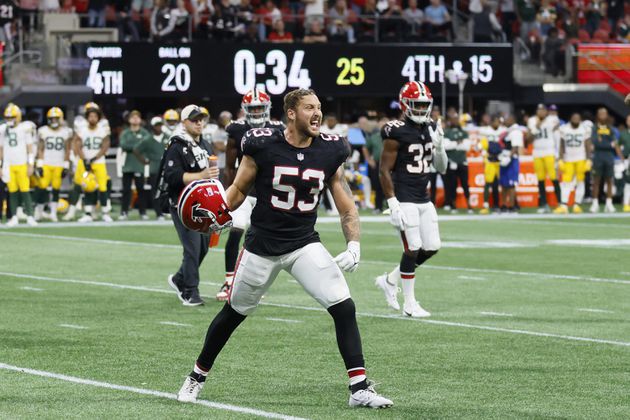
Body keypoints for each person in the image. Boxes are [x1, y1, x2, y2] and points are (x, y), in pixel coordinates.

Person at [176, 88, 393, 409]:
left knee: (344, 306)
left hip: (303, 243)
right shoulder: (262, 144)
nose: (317, 114)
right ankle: (195, 377)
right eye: (309, 108)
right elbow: (238, 189)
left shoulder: (331, 150)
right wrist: (222, 214)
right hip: (261, 246)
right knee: (233, 314)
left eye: (319, 107)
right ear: (291, 113)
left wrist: (354, 243)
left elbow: (347, 205)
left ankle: (359, 387)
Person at [375, 81, 447, 318]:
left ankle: (390, 280)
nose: (420, 110)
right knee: (412, 248)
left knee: (432, 247)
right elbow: (384, 170)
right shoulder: (395, 130)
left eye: (424, 105)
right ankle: (410, 303)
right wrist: (392, 202)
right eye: (415, 105)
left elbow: (442, 168)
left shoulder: (431, 127)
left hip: (424, 198)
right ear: (405, 105)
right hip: (404, 197)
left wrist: (439, 148)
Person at [219, 89, 284, 301]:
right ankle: (229, 280)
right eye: (253, 108)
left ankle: (255, 283)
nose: (256, 112)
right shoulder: (236, 130)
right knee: (237, 230)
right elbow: (229, 166)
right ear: (246, 110)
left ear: (267, 109)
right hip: (244, 191)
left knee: (263, 237)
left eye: (259, 108)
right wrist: (228, 194)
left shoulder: (278, 129)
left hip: (266, 192)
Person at [162, 105, 219, 306]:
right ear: (184, 122)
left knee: (203, 247)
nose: (199, 123)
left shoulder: (204, 144)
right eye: (194, 119)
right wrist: (200, 176)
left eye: (201, 119)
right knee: (193, 248)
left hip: (202, 203)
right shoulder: (177, 144)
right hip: (182, 203)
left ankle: (179, 278)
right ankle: (189, 291)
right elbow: (171, 176)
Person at [72, 104, 112, 223]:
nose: (92, 118)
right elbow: (77, 145)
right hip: (86, 161)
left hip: (98, 162)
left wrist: (95, 158)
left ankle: (105, 212)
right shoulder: (82, 130)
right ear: (87, 117)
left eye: (95, 116)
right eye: (90, 116)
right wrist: (84, 159)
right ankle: (88, 213)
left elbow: (105, 145)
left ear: (98, 118)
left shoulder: (102, 129)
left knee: (103, 187)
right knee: (87, 186)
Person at [0, 103, 38, 227]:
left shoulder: (24, 128)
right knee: (12, 191)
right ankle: (14, 217)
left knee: (25, 190)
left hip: (22, 163)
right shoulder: (3, 129)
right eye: (8, 117)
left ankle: (30, 216)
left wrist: (31, 164)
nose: (10, 120)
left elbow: (30, 148)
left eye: (12, 117)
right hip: (8, 165)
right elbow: (1, 149)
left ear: (18, 117)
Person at [34, 107, 73, 222]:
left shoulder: (66, 131)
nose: (54, 121)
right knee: (42, 188)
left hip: (59, 163)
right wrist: (40, 163)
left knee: (56, 189)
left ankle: (53, 213)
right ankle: (39, 212)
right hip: (46, 162)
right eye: (52, 119)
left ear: (60, 119)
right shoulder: (43, 131)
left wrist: (66, 165)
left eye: (56, 119)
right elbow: (40, 148)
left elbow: (67, 149)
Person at [554, 112, 592, 214]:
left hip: (581, 158)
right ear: (570, 118)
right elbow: (561, 145)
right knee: (566, 183)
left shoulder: (585, 129)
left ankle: (577, 205)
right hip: (568, 159)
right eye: (574, 118)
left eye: (577, 118)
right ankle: (564, 205)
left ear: (580, 119)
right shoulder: (564, 128)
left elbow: (587, 145)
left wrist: (589, 159)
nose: (576, 119)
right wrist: (560, 158)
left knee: (580, 182)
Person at [527, 104, 561, 213]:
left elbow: (557, 133)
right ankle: (544, 204)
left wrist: (558, 152)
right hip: (537, 152)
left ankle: (560, 203)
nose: (541, 112)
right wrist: (537, 126)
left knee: (553, 177)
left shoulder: (552, 119)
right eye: (539, 110)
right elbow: (529, 138)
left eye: (543, 110)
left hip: (549, 151)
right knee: (540, 179)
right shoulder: (532, 120)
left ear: (546, 111)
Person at [119, 110, 152, 221]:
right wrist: (137, 146)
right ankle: (124, 212)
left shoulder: (144, 133)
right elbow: (123, 145)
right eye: (133, 117)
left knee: (141, 190)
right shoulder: (125, 133)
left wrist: (133, 147)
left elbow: (147, 145)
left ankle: (142, 212)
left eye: (137, 117)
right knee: (126, 190)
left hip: (139, 165)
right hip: (127, 165)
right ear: (129, 120)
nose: (135, 119)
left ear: (140, 119)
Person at [134, 116, 169, 220]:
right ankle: (159, 212)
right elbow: (136, 149)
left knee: (167, 190)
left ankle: (166, 210)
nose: (159, 127)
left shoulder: (167, 137)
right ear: (153, 127)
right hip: (154, 168)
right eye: (156, 125)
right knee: (156, 191)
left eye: (160, 125)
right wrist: (144, 160)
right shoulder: (148, 139)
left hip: (167, 167)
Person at [590, 107, 623, 213]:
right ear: (598, 115)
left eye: (604, 113)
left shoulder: (610, 129)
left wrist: (621, 157)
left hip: (609, 157)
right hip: (598, 157)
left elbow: (615, 144)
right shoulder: (594, 128)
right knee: (596, 181)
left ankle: (609, 203)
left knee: (609, 180)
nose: (603, 115)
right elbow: (595, 143)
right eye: (601, 113)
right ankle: (595, 203)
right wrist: (609, 144)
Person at [443, 113, 472, 212]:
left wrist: (453, 144)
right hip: (451, 162)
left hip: (462, 162)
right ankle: (453, 205)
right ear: (449, 120)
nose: (455, 121)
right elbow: (446, 146)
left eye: (456, 119)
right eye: (453, 119)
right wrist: (458, 143)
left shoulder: (464, 132)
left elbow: (467, 146)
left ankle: (469, 205)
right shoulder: (446, 132)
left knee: (465, 184)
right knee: (452, 185)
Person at [479, 115, 507, 214]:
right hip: (490, 160)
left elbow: (505, 144)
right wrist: (484, 153)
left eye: (498, 122)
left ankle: (498, 205)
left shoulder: (503, 131)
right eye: (495, 121)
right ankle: (486, 205)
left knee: (498, 184)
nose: (496, 123)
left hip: (500, 160)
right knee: (488, 183)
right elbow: (481, 145)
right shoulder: (485, 131)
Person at [499, 115, 524, 212]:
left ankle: (512, 205)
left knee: (511, 184)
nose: (505, 120)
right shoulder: (508, 131)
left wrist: (508, 158)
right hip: (505, 157)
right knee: (504, 184)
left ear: (512, 120)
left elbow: (515, 147)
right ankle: (504, 204)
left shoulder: (516, 132)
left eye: (507, 119)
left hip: (511, 160)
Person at [360, 116, 384, 212]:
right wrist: (369, 160)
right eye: (381, 125)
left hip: (392, 164)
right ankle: (378, 207)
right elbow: (365, 148)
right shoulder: (374, 136)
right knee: (378, 185)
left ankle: (392, 207)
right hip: (378, 163)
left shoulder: (393, 136)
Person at [619, 114, 630, 212]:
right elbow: (617, 146)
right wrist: (622, 158)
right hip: (628, 159)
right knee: (628, 182)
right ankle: (626, 203)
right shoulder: (623, 134)